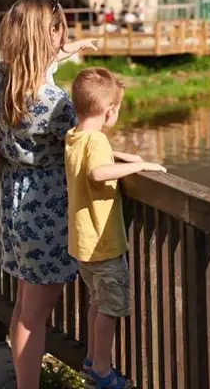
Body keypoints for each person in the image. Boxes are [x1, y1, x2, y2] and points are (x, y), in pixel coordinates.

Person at [0, 0, 82, 389]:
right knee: (34, 313)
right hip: (48, 206)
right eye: (60, 28)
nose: (65, 35)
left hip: (15, 196)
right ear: (50, 32)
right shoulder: (54, 102)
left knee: (25, 304)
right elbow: (81, 148)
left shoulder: (1, 79)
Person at [65, 67, 165, 388]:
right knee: (109, 308)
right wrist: (139, 165)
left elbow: (91, 158)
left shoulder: (75, 135)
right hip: (103, 244)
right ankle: (103, 373)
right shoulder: (95, 139)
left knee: (97, 302)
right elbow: (96, 172)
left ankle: (93, 360)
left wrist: (121, 154)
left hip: (83, 244)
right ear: (109, 112)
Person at [0, 32, 98, 246]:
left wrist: (80, 44)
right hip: (18, 140)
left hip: (18, 143)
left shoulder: (17, 70)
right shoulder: (23, 82)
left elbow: (61, 52)